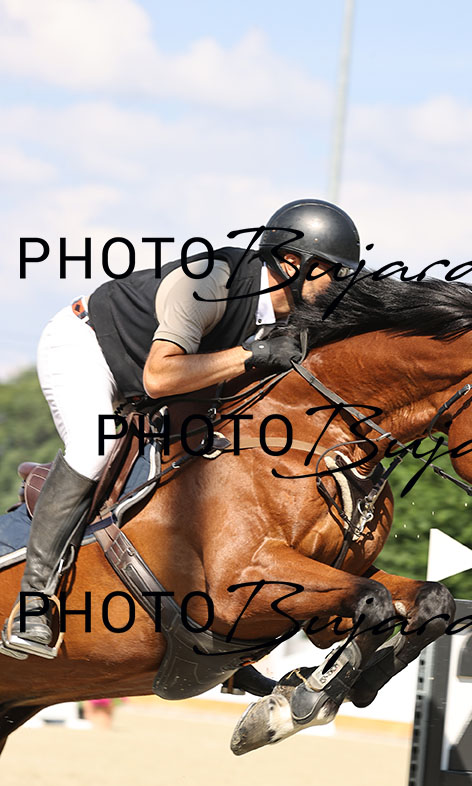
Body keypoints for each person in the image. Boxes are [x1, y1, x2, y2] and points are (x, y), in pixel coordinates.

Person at [2, 199, 361, 657]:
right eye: (333, 271)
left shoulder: (295, 315)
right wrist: (251, 355)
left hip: (163, 378)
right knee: (96, 446)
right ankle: (34, 600)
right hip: (88, 345)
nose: (339, 285)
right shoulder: (209, 283)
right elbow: (159, 377)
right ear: (293, 262)